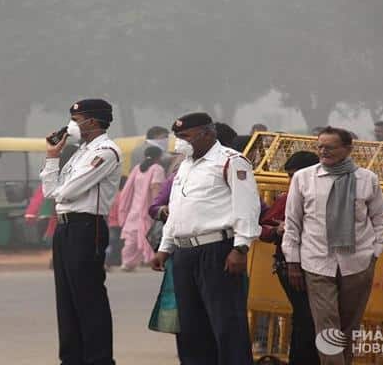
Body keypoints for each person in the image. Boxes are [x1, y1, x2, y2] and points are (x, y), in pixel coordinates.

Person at [150, 112, 260, 365]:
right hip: (184, 252)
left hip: (217, 250)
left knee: (226, 323)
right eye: (177, 136)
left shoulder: (231, 161)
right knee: (190, 325)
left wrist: (241, 247)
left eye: (186, 136)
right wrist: (165, 247)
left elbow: (247, 207)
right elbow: (177, 209)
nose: (180, 142)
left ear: (208, 134)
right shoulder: (186, 165)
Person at [282, 126, 383, 365]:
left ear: (347, 149)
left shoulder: (367, 179)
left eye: (329, 147)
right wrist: (293, 261)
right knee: (326, 326)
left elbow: (380, 218)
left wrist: (376, 251)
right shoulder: (303, 178)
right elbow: (293, 222)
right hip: (316, 263)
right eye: (319, 147)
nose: (323, 151)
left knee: (348, 327)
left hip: (357, 263)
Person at [41, 98, 121, 365]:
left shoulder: (106, 151)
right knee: (66, 299)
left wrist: (60, 190)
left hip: (87, 227)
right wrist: (52, 156)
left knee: (88, 297)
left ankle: (99, 360)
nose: (71, 125)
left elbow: (69, 190)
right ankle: (71, 359)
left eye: (76, 120)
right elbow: (50, 192)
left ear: (93, 122)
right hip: (65, 227)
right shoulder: (79, 153)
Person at [259, 151, 320, 365]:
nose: (292, 182)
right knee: (306, 317)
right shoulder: (286, 199)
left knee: (313, 319)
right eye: (289, 177)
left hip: (323, 266)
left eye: (296, 176)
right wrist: (278, 231)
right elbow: (264, 227)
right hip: (292, 267)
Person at [118, 146, 165, 271]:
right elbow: (156, 187)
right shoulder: (157, 169)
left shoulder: (137, 169)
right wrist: (158, 206)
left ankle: (127, 262)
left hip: (134, 209)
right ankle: (150, 259)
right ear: (159, 157)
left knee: (131, 239)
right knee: (150, 235)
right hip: (148, 209)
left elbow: (128, 189)